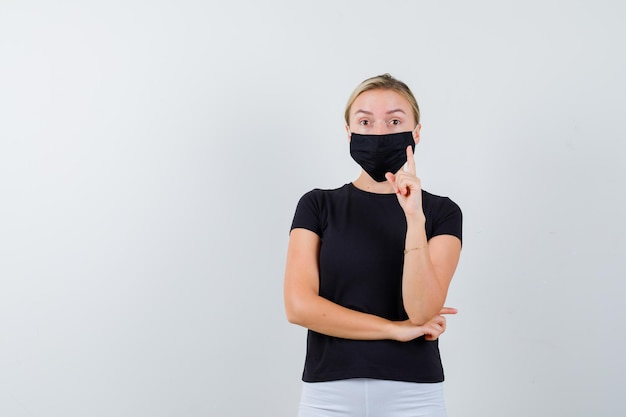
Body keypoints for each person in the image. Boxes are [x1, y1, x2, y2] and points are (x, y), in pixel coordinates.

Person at [284, 73, 463, 417]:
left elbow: (422, 312)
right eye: (365, 121)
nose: (379, 132)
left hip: (414, 395)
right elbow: (298, 307)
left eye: (394, 121)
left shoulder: (440, 212)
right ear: (349, 133)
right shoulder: (318, 205)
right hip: (328, 394)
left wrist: (414, 218)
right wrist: (392, 330)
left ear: (416, 133)